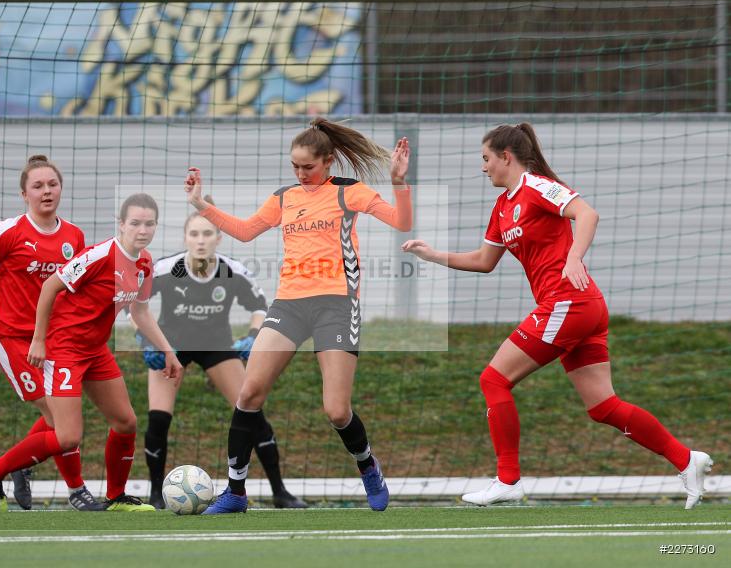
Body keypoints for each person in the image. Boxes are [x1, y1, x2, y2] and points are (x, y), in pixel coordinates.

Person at [402, 123, 713, 508]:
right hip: (579, 308)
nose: (483, 168)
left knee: (493, 380)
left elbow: (587, 214)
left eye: (486, 159)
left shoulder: (537, 186)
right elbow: (484, 262)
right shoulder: (502, 207)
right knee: (603, 407)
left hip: (569, 303)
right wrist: (433, 255)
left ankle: (508, 480)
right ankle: (687, 460)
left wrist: (574, 257)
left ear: (506, 157)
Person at [185, 117, 412, 513]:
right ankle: (235, 492)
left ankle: (368, 466)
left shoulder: (348, 192)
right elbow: (244, 231)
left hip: (336, 305)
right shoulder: (285, 197)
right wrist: (202, 205)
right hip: (288, 305)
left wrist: (398, 181)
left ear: (328, 161)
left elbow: (402, 221)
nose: (301, 173)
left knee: (337, 411)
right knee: (249, 393)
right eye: (295, 166)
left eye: (308, 166)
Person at [0, 193, 181, 513]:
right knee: (67, 436)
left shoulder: (144, 263)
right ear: (122, 224)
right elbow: (50, 288)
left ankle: (116, 498)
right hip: (65, 350)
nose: (142, 229)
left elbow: (140, 312)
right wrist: (40, 340)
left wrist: (168, 351)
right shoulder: (98, 255)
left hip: (95, 350)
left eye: (149, 223)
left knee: (126, 422)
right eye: (135, 223)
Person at [133, 199, 306, 509]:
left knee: (252, 412)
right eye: (195, 234)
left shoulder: (233, 271)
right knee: (158, 419)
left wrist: (253, 337)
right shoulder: (164, 269)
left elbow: (258, 307)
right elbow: (136, 308)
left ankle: (281, 492)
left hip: (217, 347)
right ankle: (156, 494)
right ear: (185, 237)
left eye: (208, 234)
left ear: (219, 238)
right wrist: (146, 343)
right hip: (171, 348)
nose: (201, 240)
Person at [0, 155, 103, 511]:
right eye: (38, 186)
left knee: (60, 417)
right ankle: (77, 491)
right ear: (24, 194)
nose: (46, 191)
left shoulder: (73, 236)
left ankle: (8, 467)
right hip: (14, 339)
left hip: (57, 339)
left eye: (52, 184)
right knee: (58, 418)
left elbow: (77, 285)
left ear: (61, 189)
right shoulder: (8, 232)